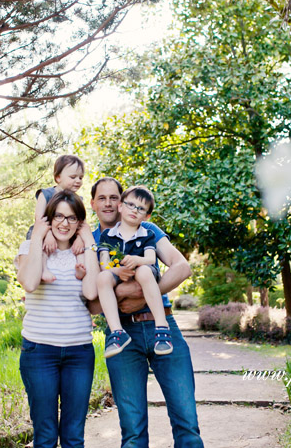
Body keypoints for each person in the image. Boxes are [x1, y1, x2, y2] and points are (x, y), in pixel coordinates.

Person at [90, 177, 204, 448]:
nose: (109, 203)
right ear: (92, 203)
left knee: (186, 422)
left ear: (122, 201)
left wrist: (141, 296)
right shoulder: (92, 240)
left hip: (161, 326)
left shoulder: (147, 229)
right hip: (122, 336)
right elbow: (93, 304)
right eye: (101, 198)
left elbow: (181, 267)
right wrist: (120, 295)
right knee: (132, 431)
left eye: (114, 197)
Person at [16, 190, 100, 448]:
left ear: (80, 223)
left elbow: (90, 292)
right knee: (46, 435)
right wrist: (39, 235)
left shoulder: (83, 252)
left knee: (74, 436)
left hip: (79, 352)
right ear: (49, 218)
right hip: (40, 351)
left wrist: (88, 244)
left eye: (72, 218)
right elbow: (29, 283)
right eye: (59, 216)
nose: (64, 223)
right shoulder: (30, 248)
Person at [96, 185, 172, 358]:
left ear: (147, 216)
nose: (134, 210)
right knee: (102, 278)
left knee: (143, 271)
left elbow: (151, 259)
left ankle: (161, 327)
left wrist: (137, 261)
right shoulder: (108, 235)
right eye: (130, 205)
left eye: (141, 208)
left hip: (143, 272)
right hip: (119, 274)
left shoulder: (147, 234)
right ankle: (117, 332)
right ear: (120, 206)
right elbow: (104, 264)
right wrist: (118, 270)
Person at [29, 154, 86, 283]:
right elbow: (39, 217)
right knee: (42, 247)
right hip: (44, 231)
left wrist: (79, 238)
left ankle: (80, 269)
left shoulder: (78, 200)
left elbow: (82, 222)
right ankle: (43, 269)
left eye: (81, 177)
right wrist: (48, 234)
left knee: (81, 248)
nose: (78, 180)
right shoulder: (47, 194)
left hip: (67, 234)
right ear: (58, 177)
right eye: (73, 177)